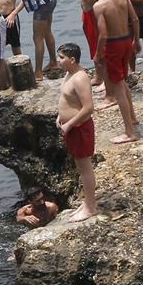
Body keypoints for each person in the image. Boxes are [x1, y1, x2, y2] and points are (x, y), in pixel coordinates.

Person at [70, 0, 141, 144]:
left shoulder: (99, 6)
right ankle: (132, 118)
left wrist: (98, 53)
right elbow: (135, 19)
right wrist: (136, 41)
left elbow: (102, 34)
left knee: (118, 89)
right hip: (126, 41)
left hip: (113, 45)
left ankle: (129, 133)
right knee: (122, 81)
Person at [60, 0, 114, 100]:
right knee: (92, 45)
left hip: (97, 13)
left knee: (101, 47)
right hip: (86, 12)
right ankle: (98, 76)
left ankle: (106, 80)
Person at [56, 43, 98, 222]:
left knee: (85, 168)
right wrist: (60, 116)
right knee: (80, 168)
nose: (58, 61)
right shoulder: (68, 74)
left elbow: (88, 108)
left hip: (79, 129)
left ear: (72, 60)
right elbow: (67, 99)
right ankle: (87, 201)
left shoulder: (80, 78)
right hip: (71, 128)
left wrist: (69, 125)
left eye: (61, 58)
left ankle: (91, 207)